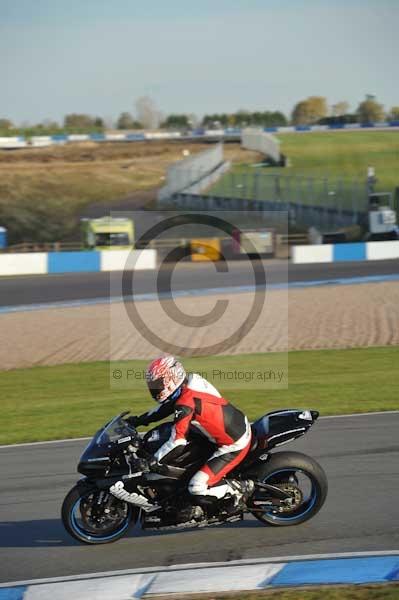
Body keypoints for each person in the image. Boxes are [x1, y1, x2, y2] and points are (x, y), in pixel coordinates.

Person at [127, 355, 254, 510]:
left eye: (158, 384)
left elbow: (177, 442)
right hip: (228, 427)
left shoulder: (185, 403)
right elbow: (168, 406)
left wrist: (152, 461)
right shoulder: (190, 382)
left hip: (233, 444)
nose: (154, 389)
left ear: (171, 380)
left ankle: (240, 489)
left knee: (197, 487)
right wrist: (139, 420)